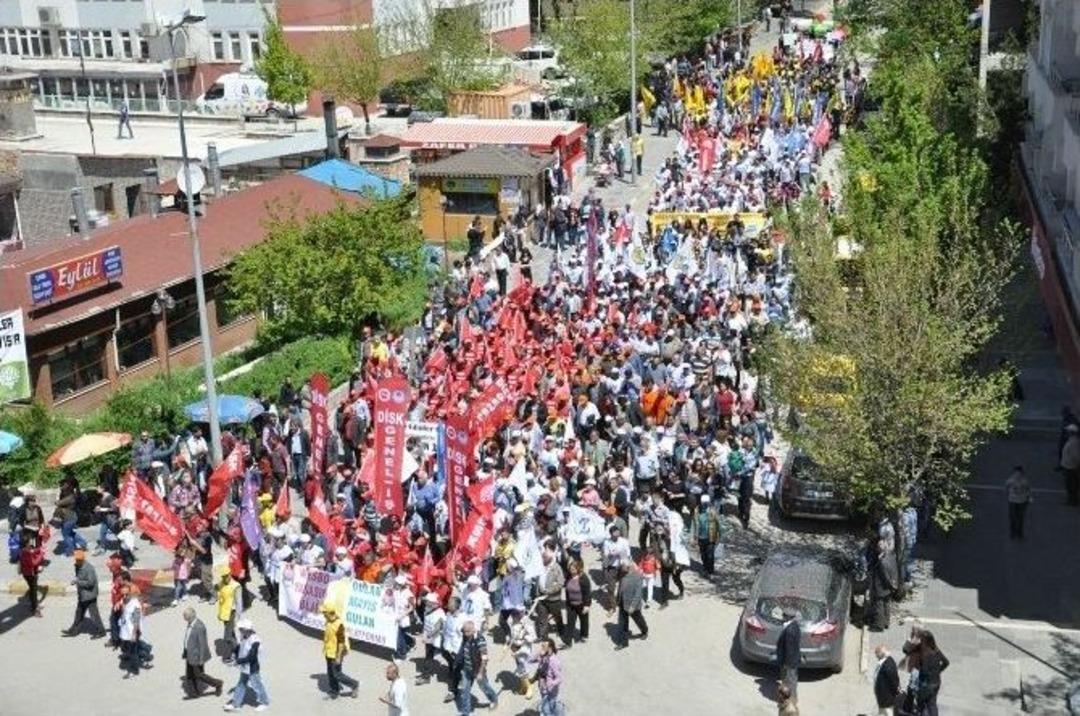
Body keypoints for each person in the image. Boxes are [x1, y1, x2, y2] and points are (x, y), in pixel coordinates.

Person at [225, 618, 269, 712]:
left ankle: (264, 702)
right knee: (241, 684)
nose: (239, 630)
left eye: (241, 629)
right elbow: (240, 647)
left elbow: (251, 657)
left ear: (246, 629)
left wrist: (237, 662)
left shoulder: (255, 641)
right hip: (245, 666)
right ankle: (236, 704)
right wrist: (234, 653)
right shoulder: (244, 636)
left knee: (257, 685)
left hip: (252, 667)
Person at [455, 620, 499, 714]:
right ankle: (466, 712)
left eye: (468, 631)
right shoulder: (465, 637)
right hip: (467, 670)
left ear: (474, 630)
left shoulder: (480, 640)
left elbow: (485, 658)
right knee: (465, 691)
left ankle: (494, 699)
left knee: (485, 687)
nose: (465, 634)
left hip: (478, 670)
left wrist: (480, 673)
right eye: (464, 631)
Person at [181, 607, 224, 699]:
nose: (184, 618)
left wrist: (201, 659)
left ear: (191, 616)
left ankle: (217, 683)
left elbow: (202, 644)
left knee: (199, 675)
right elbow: (189, 639)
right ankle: (194, 693)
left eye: (185, 616)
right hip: (189, 654)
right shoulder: (190, 623)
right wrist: (185, 650)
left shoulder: (199, 627)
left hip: (196, 656)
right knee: (189, 675)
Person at [63, 548, 106, 638]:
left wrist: (78, 582)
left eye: (78, 560)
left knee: (93, 614)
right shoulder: (78, 566)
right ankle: (73, 630)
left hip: (89, 596)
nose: (76, 561)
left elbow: (91, 583)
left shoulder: (88, 568)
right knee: (79, 613)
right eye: (76, 559)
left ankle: (101, 631)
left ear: (82, 559)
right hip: (83, 595)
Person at [322, 604, 359, 699]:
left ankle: (354, 684)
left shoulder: (339, 625)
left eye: (324, 612)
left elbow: (341, 642)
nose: (323, 614)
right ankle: (334, 690)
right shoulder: (329, 620)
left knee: (337, 674)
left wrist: (338, 656)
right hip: (329, 652)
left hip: (336, 653)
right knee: (330, 672)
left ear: (329, 613)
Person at [612, 561, 648, 650]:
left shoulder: (638, 577)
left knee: (638, 620)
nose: (621, 568)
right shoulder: (622, 573)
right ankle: (624, 643)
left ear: (629, 567)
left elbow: (638, 594)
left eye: (622, 567)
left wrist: (633, 606)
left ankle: (644, 630)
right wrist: (617, 601)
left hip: (633, 606)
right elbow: (620, 588)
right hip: (622, 603)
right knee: (623, 623)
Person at [915, 631, 949, 716]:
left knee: (922, 705)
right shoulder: (936, 649)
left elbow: (924, 671)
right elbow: (946, 662)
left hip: (926, 684)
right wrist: (938, 671)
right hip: (936, 682)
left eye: (921, 640)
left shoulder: (925, 654)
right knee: (932, 704)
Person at [564, 558, 591, 643]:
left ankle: (584, 635)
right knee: (570, 622)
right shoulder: (568, 576)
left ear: (578, 568)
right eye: (570, 568)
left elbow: (587, 593)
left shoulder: (584, 579)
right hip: (571, 604)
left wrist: (587, 605)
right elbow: (565, 586)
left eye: (573, 569)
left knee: (584, 621)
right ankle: (568, 642)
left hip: (581, 604)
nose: (571, 570)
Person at [775, 609, 801, 698]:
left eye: (784, 616)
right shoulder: (795, 626)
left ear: (787, 617)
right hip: (792, 660)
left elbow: (790, 650)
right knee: (790, 680)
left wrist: (786, 664)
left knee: (790, 681)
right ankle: (790, 698)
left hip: (789, 662)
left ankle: (791, 700)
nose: (782, 617)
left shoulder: (790, 630)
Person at [535, 637, 563, 716]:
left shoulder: (554, 662)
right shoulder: (543, 657)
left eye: (544, 646)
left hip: (550, 691)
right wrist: (538, 654)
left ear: (550, 648)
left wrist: (550, 684)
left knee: (548, 710)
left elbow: (559, 678)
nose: (542, 648)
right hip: (542, 688)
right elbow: (529, 660)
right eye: (542, 646)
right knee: (546, 709)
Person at [18, 531, 44, 617]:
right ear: (26, 544)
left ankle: (34, 605)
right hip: (30, 574)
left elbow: (33, 551)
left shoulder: (25, 550)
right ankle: (34, 609)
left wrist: (39, 549)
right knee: (33, 591)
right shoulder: (25, 553)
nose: (31, 542)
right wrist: (41, 554)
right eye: (29, 541)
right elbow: (34, 563)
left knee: (33, 590)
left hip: (29, 573)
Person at [217, 572, 242, 661]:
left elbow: (239, 602)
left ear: (230, 575)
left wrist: (239, 616)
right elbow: (220, 598)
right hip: (224, 612)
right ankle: (237, 650)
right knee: (231, 633)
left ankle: (233, 654)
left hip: (231, 613)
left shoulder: (236, 586)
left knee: (227, 636)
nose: (224, 579)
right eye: (222, 577)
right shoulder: (221, 583)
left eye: (225, 576)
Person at [1005, 465, 1032, 539]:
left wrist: (1028, 498)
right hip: (1013, 501)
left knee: (1020, 518)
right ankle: (1013, 532)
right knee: (1013, 517)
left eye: (1019, 473)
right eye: (1016, 473)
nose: (1017, 475)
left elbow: (1028, 490)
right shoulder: (1010, 481)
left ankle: (1019, 533)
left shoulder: (1025, 481)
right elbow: (1006, 488)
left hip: (1022, 501)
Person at [872, 644, 900, 715]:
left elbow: (893, 680)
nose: (876, 655)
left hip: (887, 698)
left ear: (882, 653)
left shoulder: (888, 664)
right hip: (883, 698)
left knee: (888, 713)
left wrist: (896, 691)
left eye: (877, 653)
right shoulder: (884, 663)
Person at [1060, 423, 1080, 505]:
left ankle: (1073, 500)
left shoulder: (1074, 442)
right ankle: (1072, 499)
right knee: (1071, 485)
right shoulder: (1072, 441)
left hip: (1071, 467)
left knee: (1071, 485)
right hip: (1069, 466)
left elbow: (1076, 456)